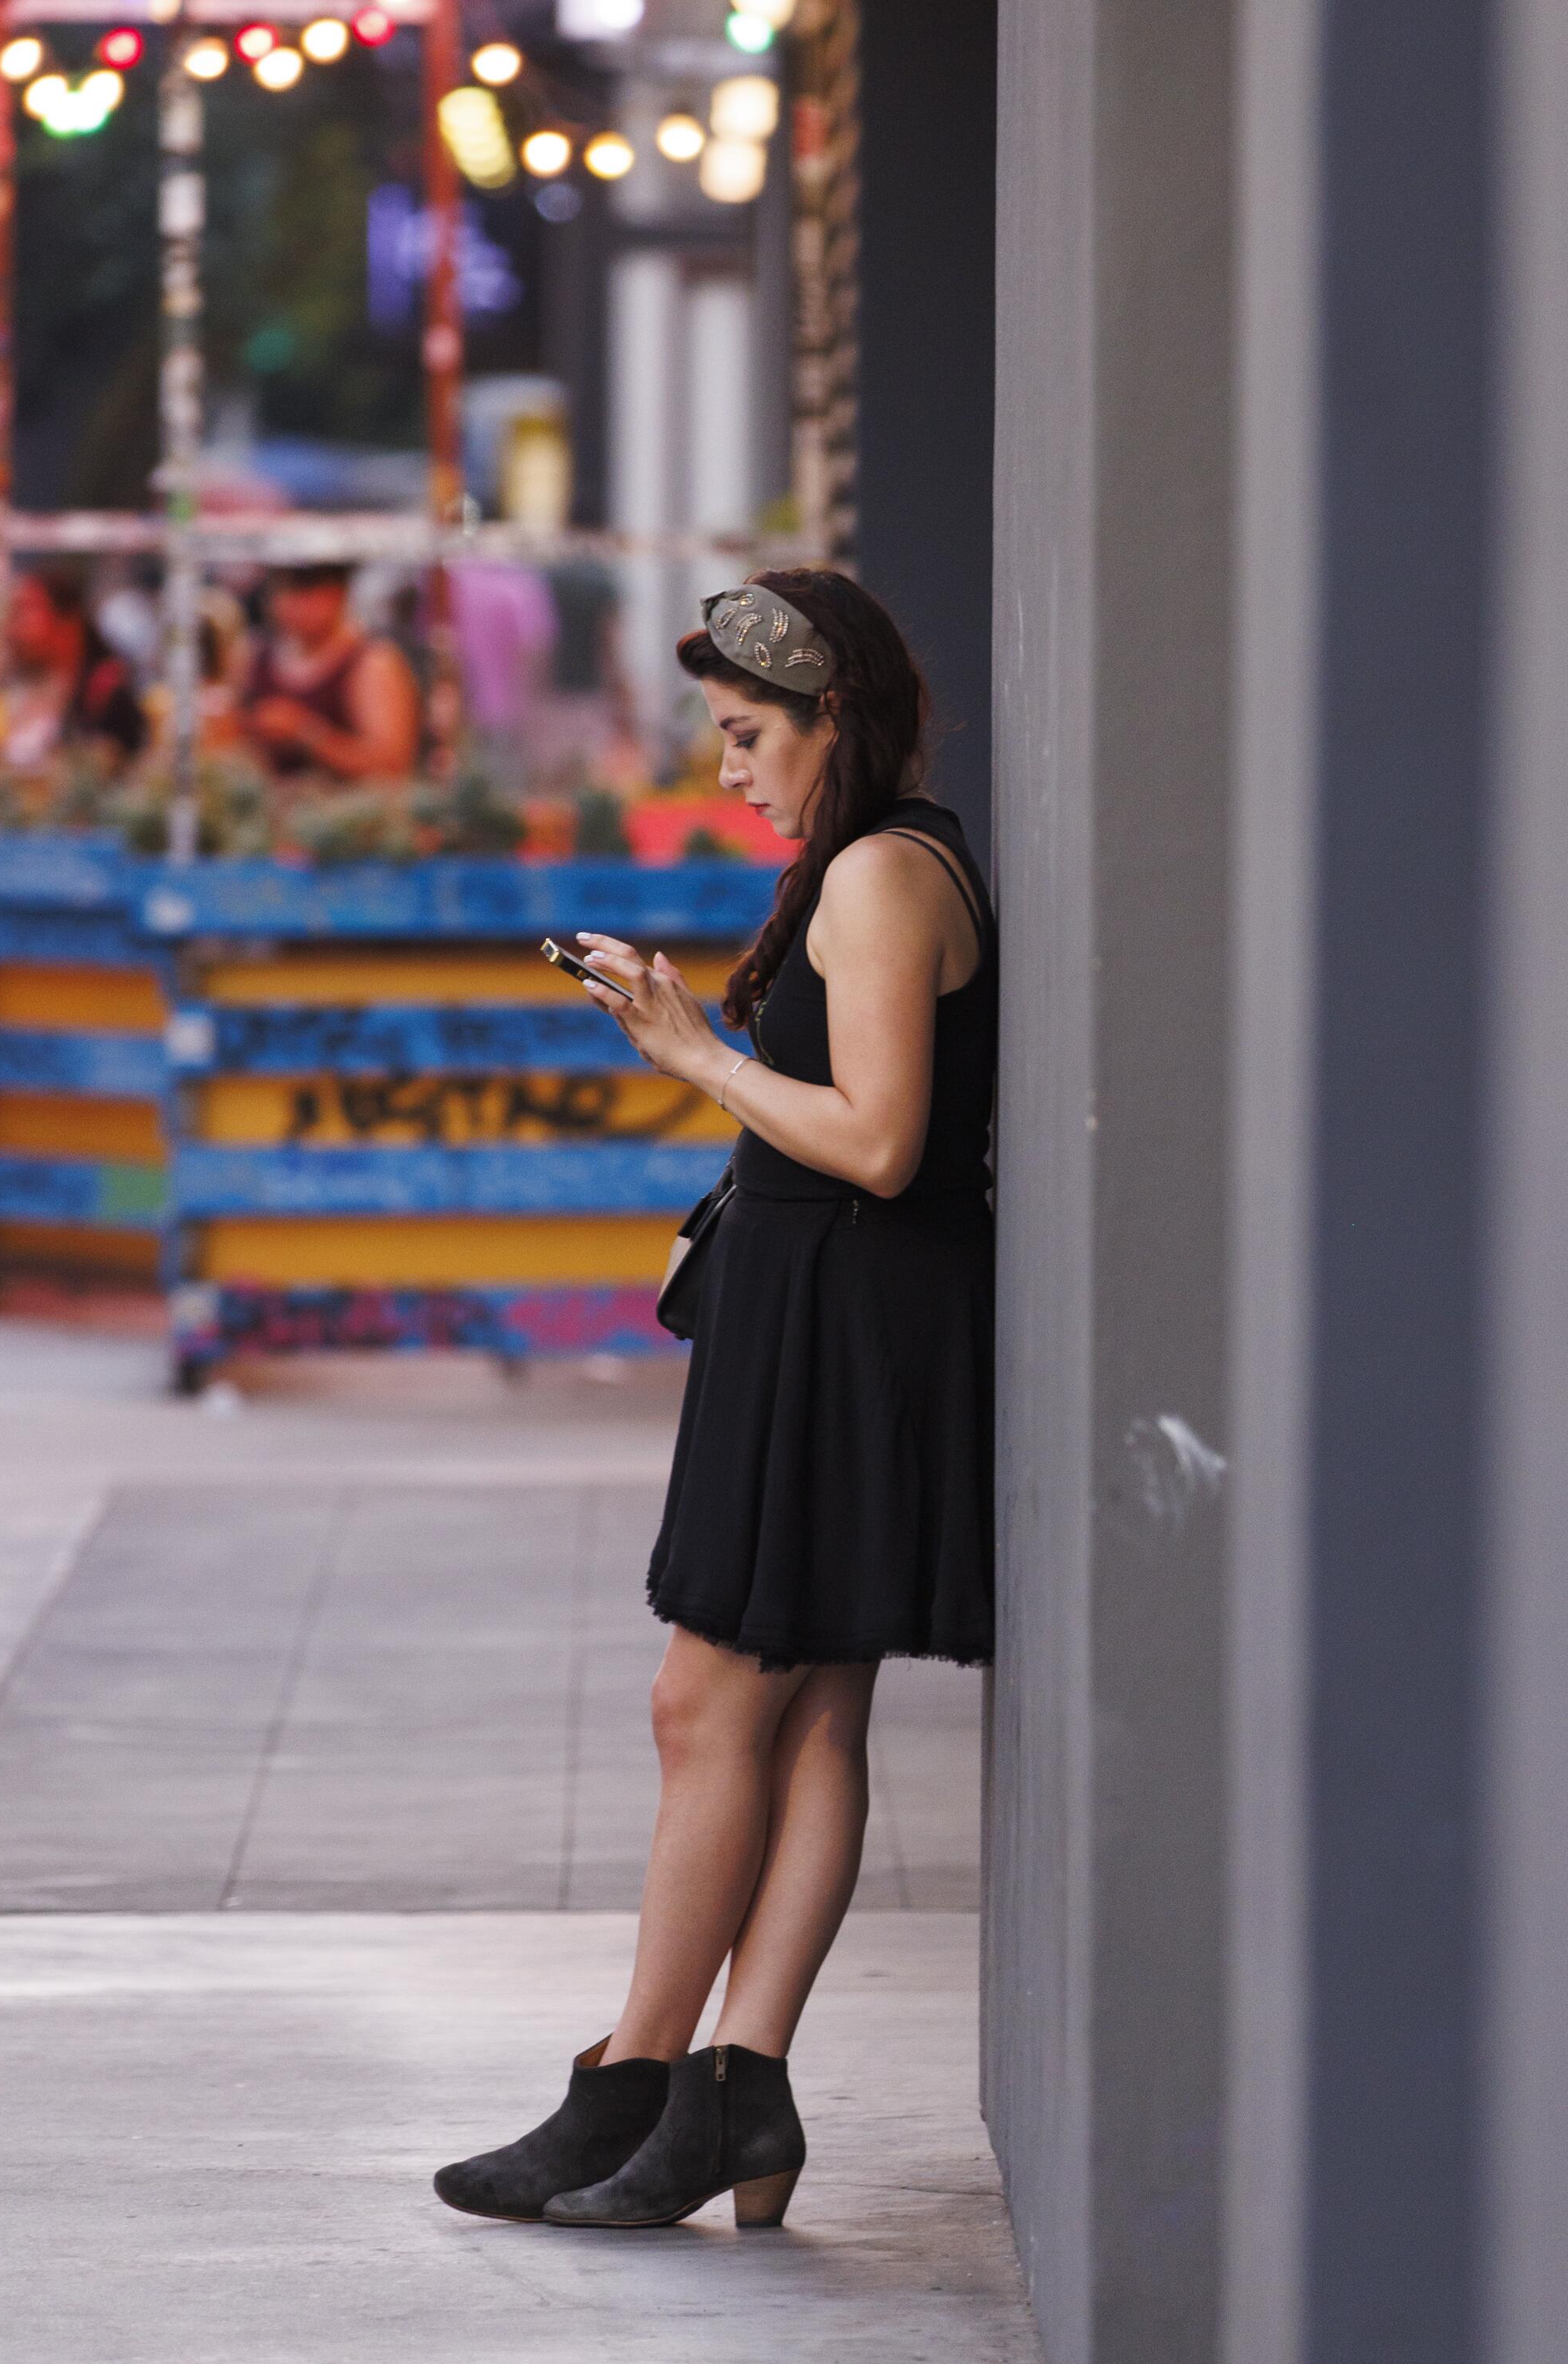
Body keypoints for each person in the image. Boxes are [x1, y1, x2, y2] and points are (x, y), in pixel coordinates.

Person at [434, 571, 997, 2233]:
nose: (733, 770)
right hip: (839, 1321)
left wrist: (693, 1052)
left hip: (840, 1325)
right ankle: (726, 2097)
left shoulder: (884, 877)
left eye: (752, 736)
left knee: (707, 1707)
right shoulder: (888, 860)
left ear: (839, 719)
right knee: (807, 1712)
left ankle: (637, 2084)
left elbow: (883, 1139)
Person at [240, 562, 421, 782]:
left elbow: (392, 766)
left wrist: (305, 733)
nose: (293, 605)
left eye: (306, 593)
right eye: (284, 591)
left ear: (338, 593)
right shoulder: (254, 653)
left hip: (350, 810)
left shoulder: (373, 662)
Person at [0, 567, 147, 772]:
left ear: (68, 620)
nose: (12, 627)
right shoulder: (22, 690)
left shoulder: (104, 692)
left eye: (25, 611)